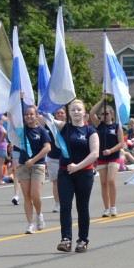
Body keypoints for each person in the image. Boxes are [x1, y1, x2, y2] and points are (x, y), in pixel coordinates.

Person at [48, 99, 99, 253]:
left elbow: (95, 153)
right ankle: (66, 239)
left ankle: (83, 240)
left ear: (84, 113)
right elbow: (44, 117)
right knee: (65, 206)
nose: (76, 112)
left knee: (82, 207)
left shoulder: (90, 131)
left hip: (84, 173)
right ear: (69, 113)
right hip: (65, 172)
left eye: (79, 110)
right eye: (73, 110)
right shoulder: (64, 127)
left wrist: (78, 166)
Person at [15, 104, 52, 234]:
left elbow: (47, 148)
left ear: (36, 116)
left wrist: (33, 160)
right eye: (26, 115)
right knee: (26, 196)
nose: (28, 116)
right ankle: (30, 223)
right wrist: (17, 99)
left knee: (35, 194)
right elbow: (12, 116)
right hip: (23, 165)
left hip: (38, 165)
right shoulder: (22, 129)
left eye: (31, 114)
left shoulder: (41, 131)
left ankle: (39, 214)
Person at [90, 98, 124, 217]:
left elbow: (121, 143)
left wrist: (110, 150)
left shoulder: (116, 127)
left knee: (110, 180)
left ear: (111, 114)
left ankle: (113, 207)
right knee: (103, 183)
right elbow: (91, 113)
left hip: (113, 156)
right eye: (102, 114)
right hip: (101, 157)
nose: (104, 116)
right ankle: (106, 208)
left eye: (106, 113)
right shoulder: (99, 125)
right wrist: (101, 100)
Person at [43, 106, 67, 213]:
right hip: (52, 157)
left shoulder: (68, 126)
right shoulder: (49, 126)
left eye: (62, 113)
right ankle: (58, 204)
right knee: (56, 182)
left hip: (66, 157)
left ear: (66, 115)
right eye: (58, 113)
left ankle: (66, 202)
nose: (60, 114)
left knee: (66, 182)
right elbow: (40, 117)